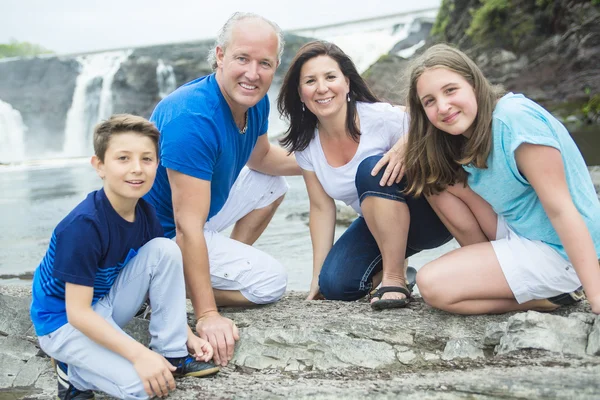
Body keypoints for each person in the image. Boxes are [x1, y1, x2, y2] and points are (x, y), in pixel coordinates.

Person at [144, 12, 301, 367]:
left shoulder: (253, 100)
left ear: (275, 66)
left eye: (264, 63)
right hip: (162, 236)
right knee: (270, 283)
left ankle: (218, 263)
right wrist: (207, 314)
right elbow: (186, 227)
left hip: (195, 215)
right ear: (220, 55)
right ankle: (164, 286)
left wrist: (328, 162)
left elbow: (262, 159)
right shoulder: (191, 117)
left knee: (272, 184)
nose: (252, 73)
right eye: (242, 58)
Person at [30, 115, 219, 400]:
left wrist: (187, 335)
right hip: (63, 323)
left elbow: (157, 278)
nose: (137, 169)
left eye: (147, 159)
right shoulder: (83, 226)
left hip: (105, 305)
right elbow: (77, 313)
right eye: (123, 158)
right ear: (100, 166)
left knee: (165, 249)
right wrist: (140, 355)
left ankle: (173, 352)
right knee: (147, 386)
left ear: (158, 163)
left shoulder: (145, 212)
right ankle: (73, 373)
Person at [403, 43, 600, 315]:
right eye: (430, 101)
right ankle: (493, 274)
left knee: (432, 284)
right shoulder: (467, 133)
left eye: (450, 90)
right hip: (522, 231)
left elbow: (561, 209)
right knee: (434, 180)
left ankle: (550, 294)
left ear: (473, 84)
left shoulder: (515, 121)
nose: (443, 106)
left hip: (561, 252)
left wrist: (596, 293)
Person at [277, 41, 457, 310]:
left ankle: (393, 278)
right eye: (310, 81)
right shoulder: (307, 145)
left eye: (330, 77)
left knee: (370, 169)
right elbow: (320, 208)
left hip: (430, 215)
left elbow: (436, 121)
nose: (322, 88)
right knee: (335, 285)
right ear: (301, 94)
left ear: (347, 83)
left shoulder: (381, 118)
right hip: (379, 226)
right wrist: (316, 277)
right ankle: (398, 271)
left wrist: (409, 140)